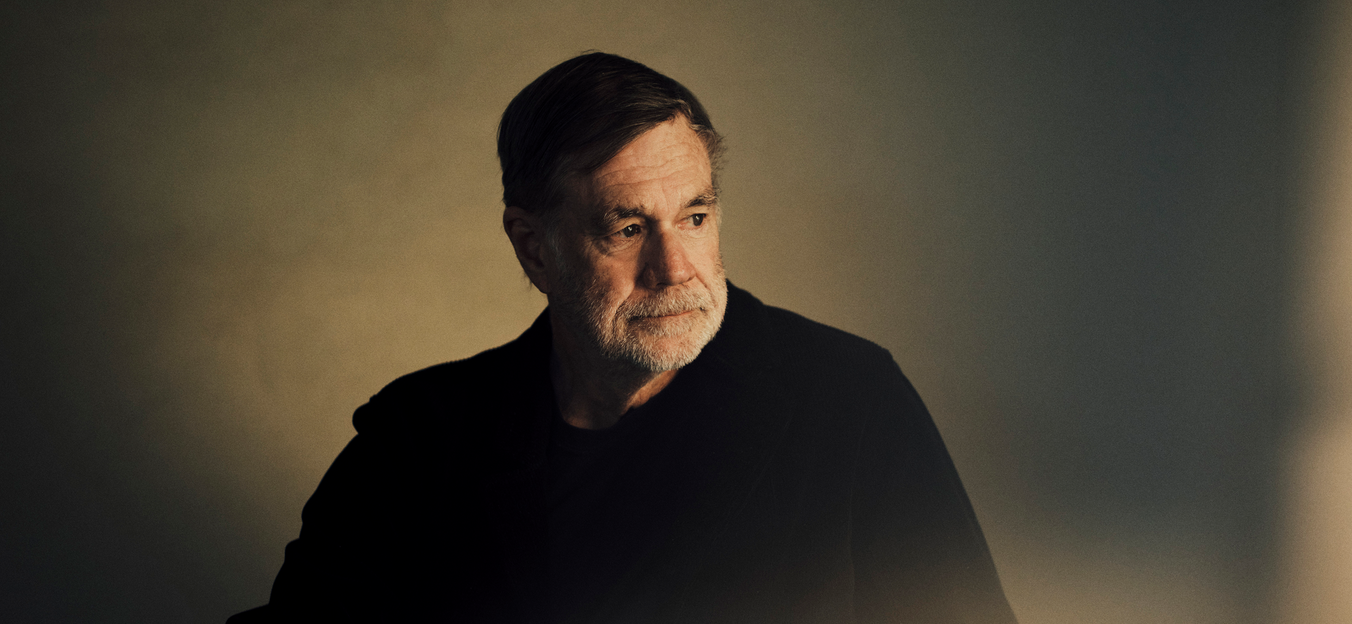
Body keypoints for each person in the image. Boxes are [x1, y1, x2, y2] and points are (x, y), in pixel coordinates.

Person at [230, 52, 1017, 623]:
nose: (674, 269)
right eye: (629, 228)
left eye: (695, 218)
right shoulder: (416, 436)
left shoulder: (848, 398)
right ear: (534, 248)